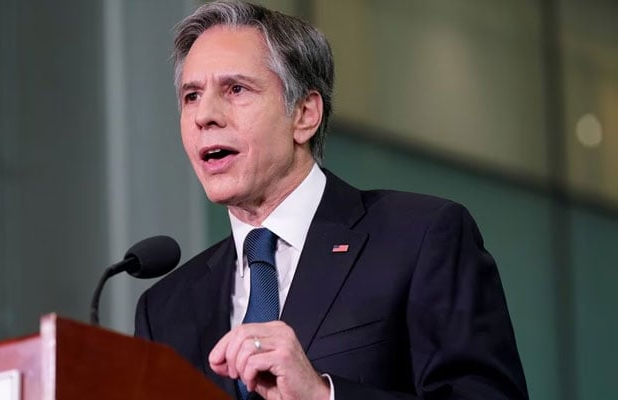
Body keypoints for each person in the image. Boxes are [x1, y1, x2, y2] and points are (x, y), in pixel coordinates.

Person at [134, 1, 529, 399]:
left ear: (305, 113)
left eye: (235, 89)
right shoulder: (165, 309)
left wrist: (323, 396)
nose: (205, 116)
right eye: (191, 96)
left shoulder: (421, 237)